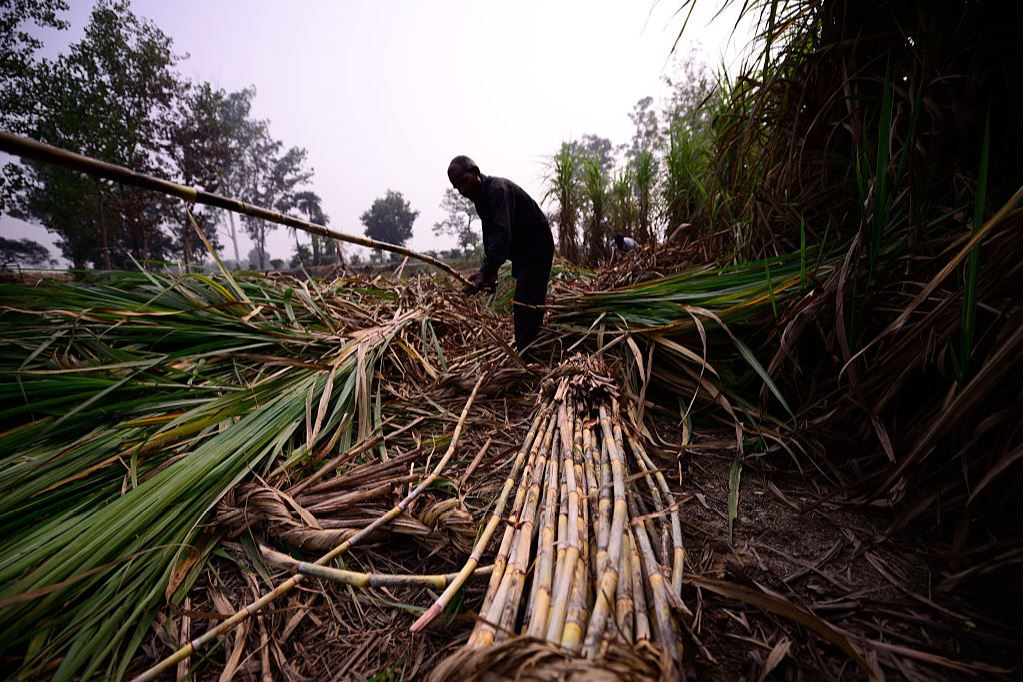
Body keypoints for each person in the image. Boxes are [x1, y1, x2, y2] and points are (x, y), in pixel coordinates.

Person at [448, 155, 554, 354]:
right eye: (457, 187)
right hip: (524, 253)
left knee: (525, 303)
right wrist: (489, 273)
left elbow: (501, 232)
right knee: (529, 302)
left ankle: (528, 357)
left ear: (476, 172)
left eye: (463, 181)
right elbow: (490, 234)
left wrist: (487, 269)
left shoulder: (497, 190)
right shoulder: (481, 198)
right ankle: (534, 348)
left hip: (537, 248)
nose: (462, 190)